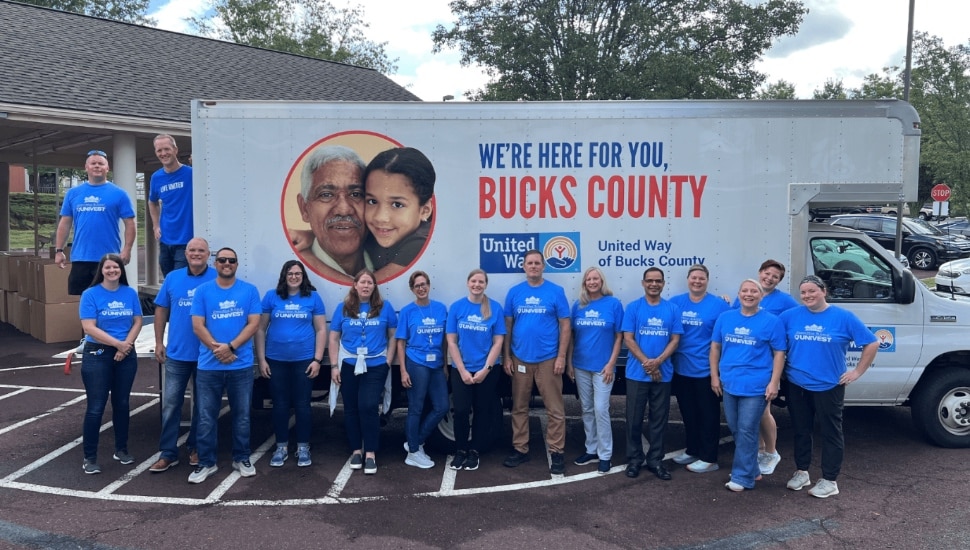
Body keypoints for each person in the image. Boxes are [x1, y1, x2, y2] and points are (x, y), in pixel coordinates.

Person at [780, 275, 878, 498]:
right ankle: (802, 472)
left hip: (828, 385)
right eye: (803, 292)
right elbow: (776, 344)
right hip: (797, 383)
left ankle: (830, 480)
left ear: (824, 291)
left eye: (812, 291)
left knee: (830, 432)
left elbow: (871, 342)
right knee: (801, 430)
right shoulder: (789, 316)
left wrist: (856, 372)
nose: (807, 296)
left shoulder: (843, 317)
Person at [188, 247, 261, 484]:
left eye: (231, 260)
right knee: (206, 417)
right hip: (209, 366)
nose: (227, 263)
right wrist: (218, 350)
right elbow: (198, 325)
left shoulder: (249, 290)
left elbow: (253, 324)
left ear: (237, 264)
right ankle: (206, 462)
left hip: (240, 365)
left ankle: (241, 458)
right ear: (215, 263)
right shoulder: (202, 291)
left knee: (242, 416)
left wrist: (230, 347)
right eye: (222, 260)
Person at [710, 279, 786, 492]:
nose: (749, 294)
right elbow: (715, 347)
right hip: (730, 383)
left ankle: (743, 477)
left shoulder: (771, 321)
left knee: (746, 429)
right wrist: (714, 376)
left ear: (761, 296)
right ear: (739, 294)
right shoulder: (725, 318)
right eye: (745, 290)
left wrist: (774, 383)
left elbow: (779, 353)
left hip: (756, 385)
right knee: (736, 428)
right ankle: (752, 469)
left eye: (754, 291)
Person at [149, 237, 216, 473]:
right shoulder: (173, 278)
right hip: (177, 354)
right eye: (192, 250)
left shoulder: (217, 278)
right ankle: (168, 453)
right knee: (170, 405)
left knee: (203, 406)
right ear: (186, 254)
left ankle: (195, 446)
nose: (196, 254)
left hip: (206, 355)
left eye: (201, 250)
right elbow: (161, 309)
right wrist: (159, 341)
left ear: (209, 254)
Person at [502, 250, 571, 475]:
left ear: (543, 266)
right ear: (523, 266)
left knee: (555, 409)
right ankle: (520, 449)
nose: (533, 266)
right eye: (529, 263)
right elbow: (508, 327)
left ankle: (557, 451)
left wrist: (561, 357)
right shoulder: (514, 293)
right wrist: (507, 357)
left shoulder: (556, 292)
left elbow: (565, 326)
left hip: (548, 360)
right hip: (520, 358)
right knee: (519, 407)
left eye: (537, 263)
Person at [255, 260, 327, 468]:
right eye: (290, 273)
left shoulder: (313, 297)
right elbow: (260, 329)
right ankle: (281, 446)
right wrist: (261, 359)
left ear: (303, 276)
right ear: (284, 276)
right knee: (280, 405)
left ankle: (303, 446)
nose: (294, 277)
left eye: (298, 273)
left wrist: (317, 359)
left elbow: (321, 330)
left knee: (303, 405)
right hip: (276, 359)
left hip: (304, 360)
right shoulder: (271, 296)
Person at [731, 259, 798, 476]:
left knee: (763, 411)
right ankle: (758, 449)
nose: (769, 278)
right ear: (760, 273)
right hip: (745, 364)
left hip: (767, 364)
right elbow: (735, 318)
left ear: (779, 281)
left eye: (775, 277)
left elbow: (794, 323)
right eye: (767, 274)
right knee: (753, 416)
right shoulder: (747, 294)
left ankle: (770, 451)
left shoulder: (786, 301)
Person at [78, 254, 143, 474]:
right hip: (98, 353)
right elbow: (89, 327)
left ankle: (121, 449)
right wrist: (118, 345)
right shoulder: (90, 294)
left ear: (121, 270)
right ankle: (90, 457)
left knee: (122, 404)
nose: (112, 270)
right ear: (101, 270)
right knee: (96, 408)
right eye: (108, 267)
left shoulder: (130, 293)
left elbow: (137, 320)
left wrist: (127, 345)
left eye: (116, 267)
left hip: (125, 352)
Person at [329, 269, 397, 475]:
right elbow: (333, 338)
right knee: (350, 408)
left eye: (370, 282)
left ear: (374, 286)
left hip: (375, 364)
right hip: (349, 363)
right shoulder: (343, 308)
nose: (366, 286)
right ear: (355, 285)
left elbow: (393, 336)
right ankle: (356, 451)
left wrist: (387, 362)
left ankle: (371, 453)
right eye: (362, 282)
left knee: (368, 406)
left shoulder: (385, 308)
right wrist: (333, 366)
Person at [621, 267, 682, 481]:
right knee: (634, 419)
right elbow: (628, 338)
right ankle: (634, 459)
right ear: (643, 283)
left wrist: (658, 363)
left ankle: (656, 460)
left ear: (663, 283)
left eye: (658, 281)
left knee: (659, 419)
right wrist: (648, 363)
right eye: (649, 280)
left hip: (663, 374)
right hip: (637, 374)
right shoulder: (633, 307)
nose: (653, 284)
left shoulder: (672, 309)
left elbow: (675, 339)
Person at [669, 264, 730, 474]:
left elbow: (726, 335)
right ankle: (692, 449)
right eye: (694, 277)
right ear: (688, 279)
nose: (697, 281)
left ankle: (709, 458)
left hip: (705, 370)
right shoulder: (676, 302)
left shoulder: (719, 306)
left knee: (709, 415)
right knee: (688, 413)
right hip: (681, 369)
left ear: (707, 281)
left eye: (701, 278)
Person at [446, 269, 505, 471]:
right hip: (461, 369)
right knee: (461, 411)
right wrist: (462, 370)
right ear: (468, 283)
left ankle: (475, 452)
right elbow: (451, 342)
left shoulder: (495, 308)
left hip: (487, 370)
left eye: (481, 282)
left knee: (482, 411)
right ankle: (460, 450)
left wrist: (485, 370)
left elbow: (498, 342)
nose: (477, 285)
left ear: (485, 285)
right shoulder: (457, 307)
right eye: (473, 281)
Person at [566, 267, 623, 475]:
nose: (592, 282)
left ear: (601, 281)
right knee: (587, 409)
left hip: (603, 367)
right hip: (581, 365)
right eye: (588, 279)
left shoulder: (613, 304)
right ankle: (591, 449)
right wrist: (570, 362)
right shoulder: (578, 305)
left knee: (601, 409)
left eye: (595, 278)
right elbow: (571, 336)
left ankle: (605, 454)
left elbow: (619, 337)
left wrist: (611, 364)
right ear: (584, 283)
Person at [55, 150, 136, 295]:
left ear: (107, 168)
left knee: (109, 298)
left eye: (101, 163)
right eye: (93, 163)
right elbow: (65, 223)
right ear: (86, 167)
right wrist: (59, 250)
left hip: (109, 259)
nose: (97, 166)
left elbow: (130, 223)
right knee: (84, 301)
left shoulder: (119, 194)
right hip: (81, 257)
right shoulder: (73, 194)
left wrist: (127, 250)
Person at [294, 146, 371, 282]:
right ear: (304, 208)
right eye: (326, 194)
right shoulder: (295, 269)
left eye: (356, 194)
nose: (343, 210)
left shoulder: (390, 258)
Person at [395, 270, 448, 469]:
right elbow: (400, 342)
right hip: (416, 362)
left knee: (441, 406)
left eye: (424, 284)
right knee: (415, 407)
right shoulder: (408, 311)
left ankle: (414, 442)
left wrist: (444, 364)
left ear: (429, 285)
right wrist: (403, 370)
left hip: (436, 364)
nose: (421, 288)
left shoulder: (441, 308)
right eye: (417, 285)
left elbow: (444, 339)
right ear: (412, 289)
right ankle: (414, 453)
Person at [362, 147, 435, 281]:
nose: (380, 217)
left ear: (425, 210)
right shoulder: (373, 231)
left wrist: (310, 256)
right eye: (372, 201)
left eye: (397, 204)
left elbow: (366, 287)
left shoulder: (421, 241)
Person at [148, 134, 194, 276]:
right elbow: (152, 201)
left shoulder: (191, 173)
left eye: (166, 149)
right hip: (166, 238)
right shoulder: (156, 177)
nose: (163, 153)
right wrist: (156, 225)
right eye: (159, 150)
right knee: (168, 280)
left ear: (175, 150)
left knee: (179, 279)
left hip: (186, 239)